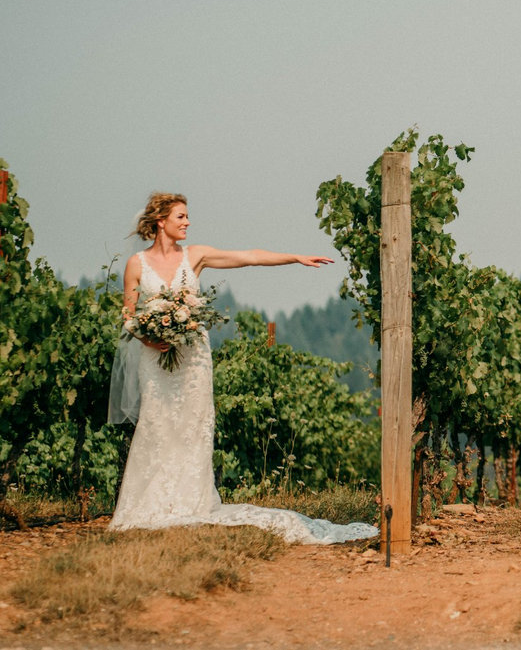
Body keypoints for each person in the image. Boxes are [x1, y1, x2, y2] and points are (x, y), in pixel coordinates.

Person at [108, 192, 377, 544]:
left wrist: (294, 257)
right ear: (161, 221)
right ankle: (151, 504)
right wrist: (149, 339)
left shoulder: (196, 256)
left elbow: (249, 257)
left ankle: (192, 501)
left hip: (193, 359)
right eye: (181, 217)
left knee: (193, 425)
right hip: (155, 358)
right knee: (157, 423)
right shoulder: (136, 264)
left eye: (187, 216)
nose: (187, 222)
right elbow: (128, 315)